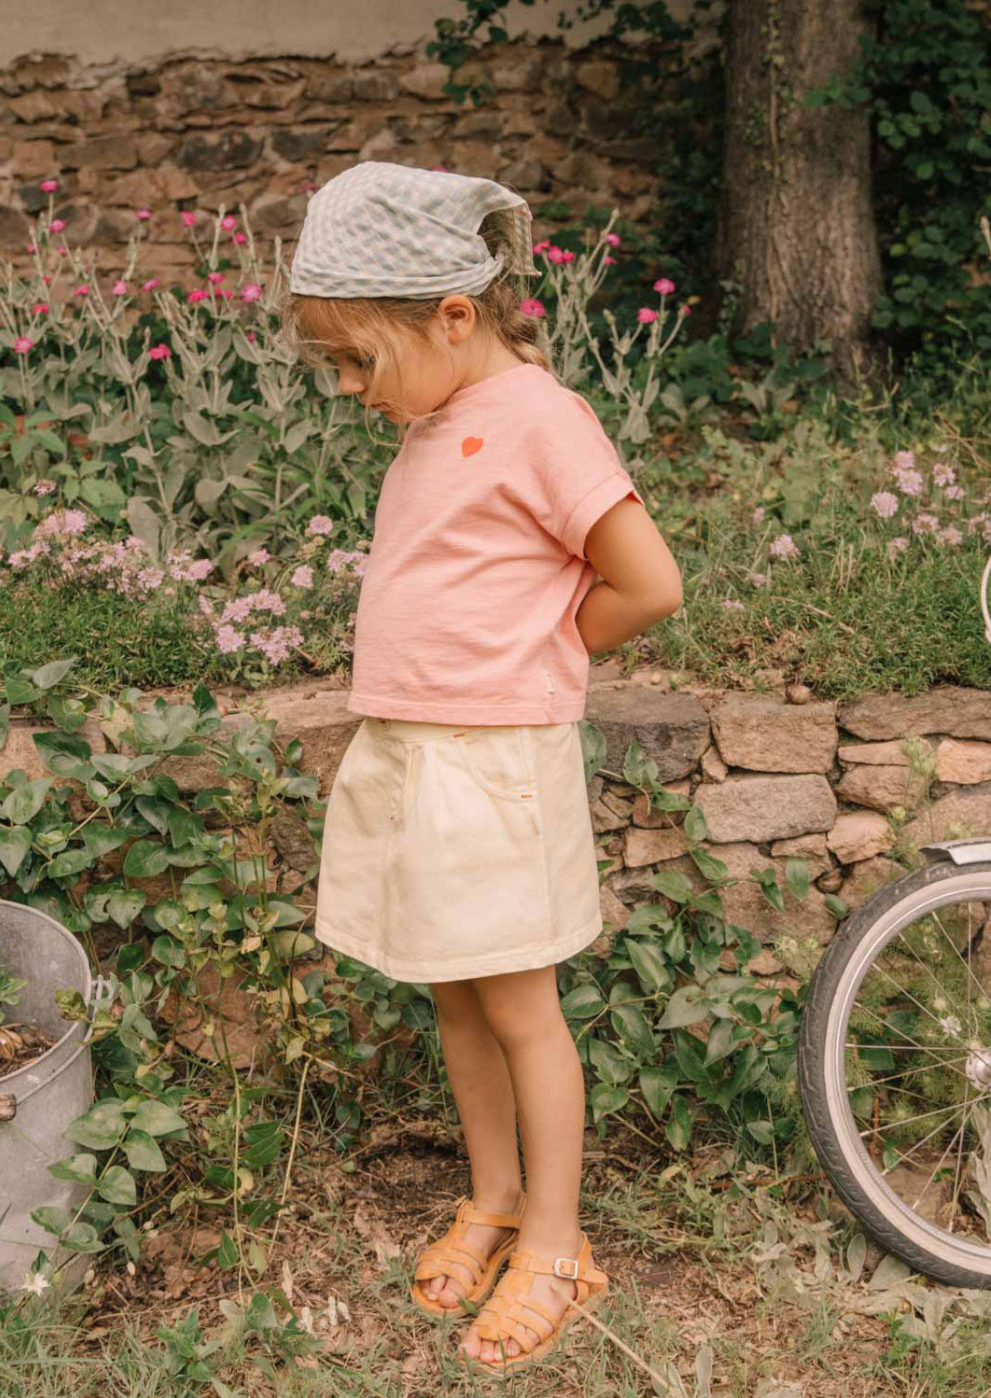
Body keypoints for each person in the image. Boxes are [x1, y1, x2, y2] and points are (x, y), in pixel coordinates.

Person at [280, 161, 684, 1376]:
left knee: (518, 1007)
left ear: (452, 317)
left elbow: (647, 582)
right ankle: (496, 1198)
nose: (347, 388)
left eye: (356, 360)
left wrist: (538, 657)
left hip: (492, 759)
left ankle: (556, 1244)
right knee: (454, 991)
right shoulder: (435, 418)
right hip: (418, 750)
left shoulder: (542, 422)